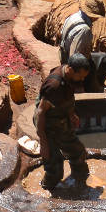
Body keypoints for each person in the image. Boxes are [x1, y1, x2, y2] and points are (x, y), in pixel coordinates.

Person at [37, 55, 92, 194]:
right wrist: (43, 143)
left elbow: (66, 97)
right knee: (55, 168)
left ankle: (79, 179)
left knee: (78, 152)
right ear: (71, 70)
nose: (83, 79)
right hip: (48, 124)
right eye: (81, 76)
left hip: (61, 119)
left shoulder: (69, 76)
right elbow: (40, 112)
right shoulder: (54, 85)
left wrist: (71, 114)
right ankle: (46, 190)